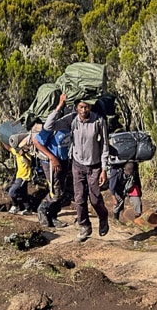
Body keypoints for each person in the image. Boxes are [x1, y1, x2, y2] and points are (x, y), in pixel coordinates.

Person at [44, 92, 111, 242]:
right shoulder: (71, 120)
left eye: (86, 107)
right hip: (77, 165)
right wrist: (59, 106)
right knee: (79, 199)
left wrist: (104, 169)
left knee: (95, 199)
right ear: (76, 107)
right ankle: (84, 226)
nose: (84, 110)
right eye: (81, 107)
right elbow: (48, 126)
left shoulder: (98, 121)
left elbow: (105, 146)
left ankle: (103, 216)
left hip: (94, 166)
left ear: (90, 107)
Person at [34, 119, 73, 229]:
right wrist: (52, 158)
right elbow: (37, 142)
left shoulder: (71, 125)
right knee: (55, 191)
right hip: (50, 162)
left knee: (61, 190)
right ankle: (42, 209)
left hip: (63, 160)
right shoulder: (52, 127)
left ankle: (53, 216)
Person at [5, 132, 34, 215]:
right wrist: (2, 139)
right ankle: (28, 209)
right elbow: (9, 148)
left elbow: (29, 164)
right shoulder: (17, 151)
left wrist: (23, 155)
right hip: (19, 176)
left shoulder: (27, 154)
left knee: (12, 192)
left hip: (24, 177)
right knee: (23, 194)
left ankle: (15, 206)